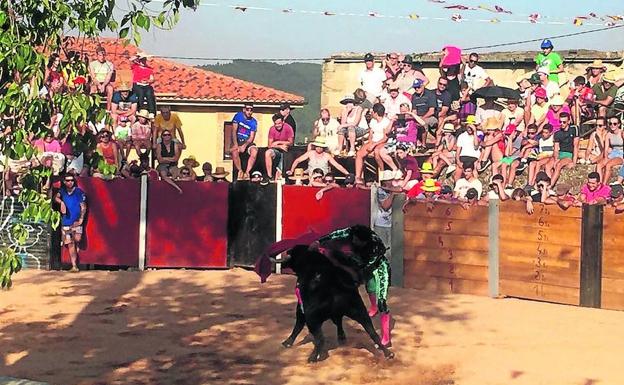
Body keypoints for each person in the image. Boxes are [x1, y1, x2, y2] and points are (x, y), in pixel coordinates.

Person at [311, 225, 393, 347]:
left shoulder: (375, 245)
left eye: (357, 241)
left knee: (382, 301)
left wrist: (342, 260)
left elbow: (362, 265)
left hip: (379, 267)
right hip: (363, 264)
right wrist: (319, 241)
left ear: (364, 242)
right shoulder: (351, 232)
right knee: (369, 288)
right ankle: (374, 307)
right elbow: (336, 234)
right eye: (354, 238)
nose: (353, 241)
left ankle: (386, 338)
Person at [54, 174, 86, 272]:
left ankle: (75, 261)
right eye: (67, 180)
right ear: (64, 182)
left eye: (71, 180)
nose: (70, 182)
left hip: (76, 221)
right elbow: (56, 197)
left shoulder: (79, 192)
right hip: (66, 222)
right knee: (71, 243)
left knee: (77, 239)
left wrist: (81, 219)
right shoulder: (62, 191)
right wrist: (61, 203)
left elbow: (83, 206)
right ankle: (74, 265)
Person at [355, 103, 391, 184]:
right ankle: (358, 177)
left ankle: (382, 174)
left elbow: (385, 138)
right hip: (374, 141)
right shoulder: (373, 121)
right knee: (359, 153)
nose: (371, 114)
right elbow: (371, 134)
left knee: (377, 152)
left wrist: (374, 145)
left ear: (375, 113)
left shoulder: (386, 122)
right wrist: (370, 143)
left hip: (382, 142)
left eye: (372, 112)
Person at [230, 103, 259, 180]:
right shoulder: (238, 116)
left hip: (247, 142)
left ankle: (247, 172)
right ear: (244, 110)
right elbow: (233, 131)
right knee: (234, 152)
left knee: (254, 151)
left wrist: (244, 146)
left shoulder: (254, 122)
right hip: (238, 140)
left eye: (251, 110)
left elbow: (251, 137)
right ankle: (240, 171)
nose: (249, 112)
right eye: (247, 110)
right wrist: (236, 144)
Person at [549, 112, 579, 187]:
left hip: (568, 154)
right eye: (560, 122)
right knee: (548, 166)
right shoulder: (557, 133)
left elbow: (576, 146)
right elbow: (556, 149)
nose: (562, 123)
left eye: (564, 122)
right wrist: (556, 159)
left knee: (558, 165)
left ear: (568, 122)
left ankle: (550, 186)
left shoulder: (574, 129)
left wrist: (574, 161)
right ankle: (547, 182)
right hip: (560, 153)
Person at [265, 113, 294, 181]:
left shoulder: (288, 128)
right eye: (276, 124)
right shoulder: (272, 129)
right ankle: (269, 176)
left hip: (287, 151)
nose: (277, 125)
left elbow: (291, 142)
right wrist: (279, 146)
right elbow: (270, 145)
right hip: (277, 149)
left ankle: (279, 174)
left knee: (284, 154)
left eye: (279, 123)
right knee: (268, 152)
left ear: (283, 122)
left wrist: (278, 142)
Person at [411, 79, 437, 148]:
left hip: (430, 117)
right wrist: (415, 118)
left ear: (423, 86)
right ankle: (413, 144)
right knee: (410, 123)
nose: (416, 89)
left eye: (418, 87)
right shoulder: (414, 96)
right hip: (418, 116)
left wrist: (422, 118)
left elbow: (432, 111)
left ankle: (423, 145)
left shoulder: (430, 95)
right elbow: (414, 110)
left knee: (423, 123)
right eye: (415, 87)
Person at [596, 117, 623, 184]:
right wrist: (605, 157)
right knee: (599, 165)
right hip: (613, 153)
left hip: (621, 153)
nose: (612, 125)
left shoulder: (622, 133)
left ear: (618, 124)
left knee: (609, 165)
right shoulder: (608, 134)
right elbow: (606, 148)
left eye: (615, 124)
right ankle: (599, 183)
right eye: (610, 123)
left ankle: (604, 185)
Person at [88, 46, 115, 111]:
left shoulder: (110, 64)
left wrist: (103, 85)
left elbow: (108, 77)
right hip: (96, 82)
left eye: (103, 55)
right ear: (97, 55)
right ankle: (92, 108)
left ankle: (108, 109)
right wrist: (98, 85)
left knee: (110, 89)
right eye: (100, 55)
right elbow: (93, 77)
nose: (102, 57)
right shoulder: (92, 64)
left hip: (105, 82)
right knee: (93, 89)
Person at [130, 51, 156, 117]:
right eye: (141, 60)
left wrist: (147, 81)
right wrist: (137, 56)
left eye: (144, 60)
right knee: (140, 93)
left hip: (146, 85)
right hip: (137, 84)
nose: (143, 62)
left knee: (149, 93)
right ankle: (139, 109)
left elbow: (152, 79)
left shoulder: (149, 69)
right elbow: (130, 60)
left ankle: (151, 112)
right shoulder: (135, 66)